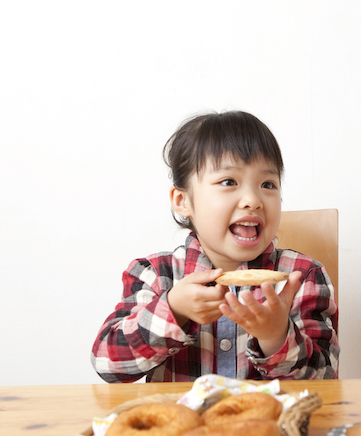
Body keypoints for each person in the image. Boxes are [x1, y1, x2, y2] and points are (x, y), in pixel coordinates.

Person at [91, 111, 339, 382]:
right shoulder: (154, 275)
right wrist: (173, 309)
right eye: (228, 182)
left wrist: (276, 337)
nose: (252, 200)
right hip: (184, 423)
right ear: (183, 200)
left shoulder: (301, 277)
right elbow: (107, 364)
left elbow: (326, 380)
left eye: (267, 184)